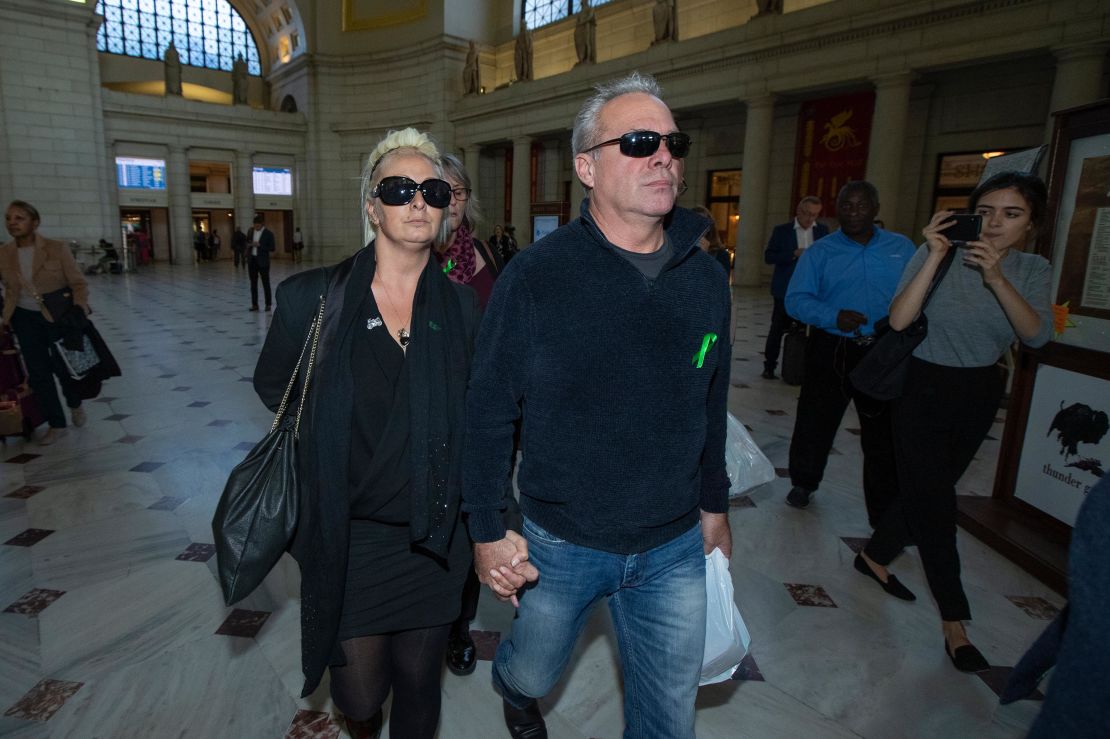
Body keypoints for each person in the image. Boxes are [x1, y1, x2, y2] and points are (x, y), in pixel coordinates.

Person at [462, 71, 732, 739]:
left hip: (671, 544)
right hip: (562, 539)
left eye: (673, 141)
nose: (663, 154)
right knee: (529, 673)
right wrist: (487, 530)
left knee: (669, 722)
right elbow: (489, 410)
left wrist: (715, 503)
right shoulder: (536, 276)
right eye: (640, 141)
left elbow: (712, 398)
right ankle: (512, 690)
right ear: (586, 166)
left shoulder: (704, 280)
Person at [254, 128, 480, 739]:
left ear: (445, 207)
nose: (417, 202)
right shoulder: (313, 300)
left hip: (433, 537)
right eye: (399, 189)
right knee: (358, 696)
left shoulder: (462, 308)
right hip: (348, 538)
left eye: (432, 190)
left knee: (418, 689)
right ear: (372, 206)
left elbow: (480, 420)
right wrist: (331, 437)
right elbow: (275, 385)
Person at [857, 172, 1053, 672]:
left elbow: (1034, 336)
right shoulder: (935, 253)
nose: (994, 224)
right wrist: (937, 255)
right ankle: (954, 621)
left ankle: (875, 556)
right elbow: (899, 321)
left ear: (1032, 224)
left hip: (980, 390)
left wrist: (997, 278)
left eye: (1012, 214)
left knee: (930, 488)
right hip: (920, 385)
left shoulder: (1032, 268)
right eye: (985, 212)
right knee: (937, 504)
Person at [783, 181, 914, 521]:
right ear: (837, 210)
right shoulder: (821, 252)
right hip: (832, 347)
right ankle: (803, 482)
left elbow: (919, 292)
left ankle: (883, 507)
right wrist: (833, 316)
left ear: (876, 208)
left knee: (882, 431)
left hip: (884, 350)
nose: (854, 212)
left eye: (861, 206)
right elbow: (795, 300)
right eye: (846, 206)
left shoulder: (902, 249)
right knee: (816, 418)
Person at [0, 200, 90, 445]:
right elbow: (8, 291)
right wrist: (5, 319)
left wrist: (79, 309)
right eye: (9, 218)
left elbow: (78, 283)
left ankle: (74, 402)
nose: (12, 223)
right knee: (38, 372)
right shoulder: (4, 253)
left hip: (57, 316)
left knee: (63, 367)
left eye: (20, 218)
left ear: (34, 222)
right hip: (23, 317)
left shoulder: (56, 248)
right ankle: (56, 423)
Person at [762, 196, 828, 379]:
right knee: (777, 329)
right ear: (799, 211)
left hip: (812, 291)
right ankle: (769, 365)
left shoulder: (822, 232)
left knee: (810, 331)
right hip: (785, 290)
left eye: (814, 215)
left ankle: (804, 367)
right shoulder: (782, 231)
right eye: (807, 213)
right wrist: (793, 254)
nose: (809, 219)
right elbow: (769, 256)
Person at [691, 205, 730, 278]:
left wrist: (705, 256)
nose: (699, 226)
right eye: (694, 222)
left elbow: (722, 282)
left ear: (709, 228)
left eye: (703, 222)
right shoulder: (681, 250)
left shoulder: (720, 254)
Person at [248, 214, 276, 311]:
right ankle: (254, 304)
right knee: (253, 284)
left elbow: (272, 248)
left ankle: (268, 304)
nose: (256, 227)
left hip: (263, 262)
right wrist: (249, 245)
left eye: (258, 225)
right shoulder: (251, 232)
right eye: (255, 225)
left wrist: (260, 245)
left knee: (265, 283)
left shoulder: (269, 234)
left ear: (262, 224)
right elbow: (247, 242)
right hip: (253, 261)